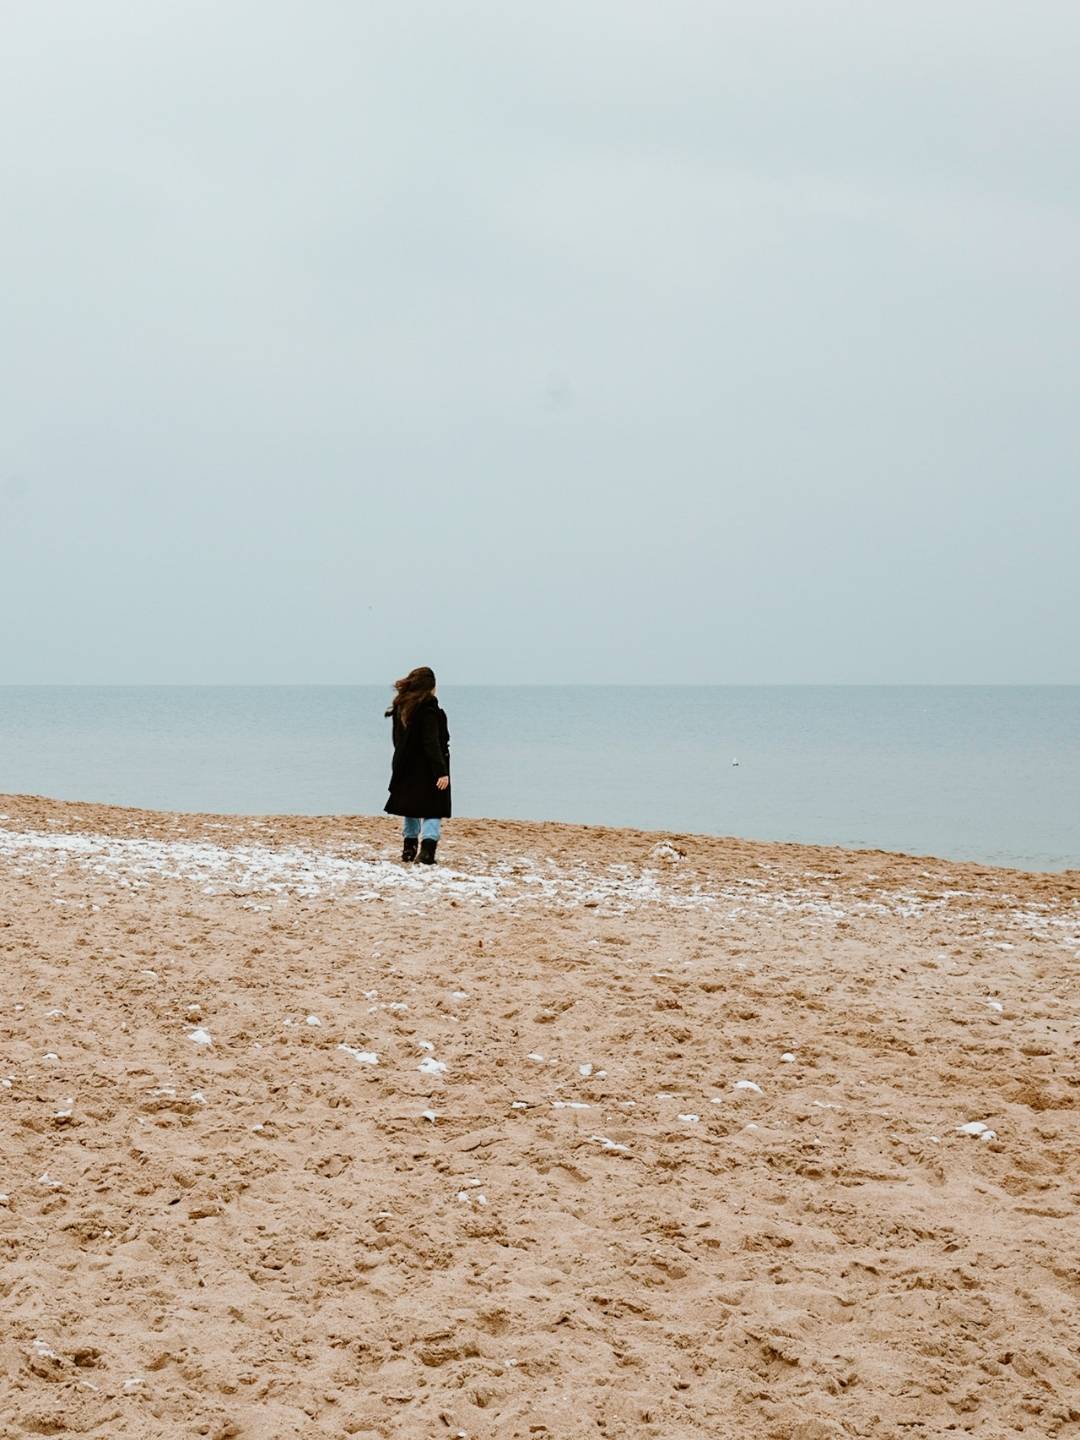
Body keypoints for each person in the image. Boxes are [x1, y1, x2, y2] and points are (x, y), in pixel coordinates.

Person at [383, 666, 451, 864]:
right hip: (427, 766)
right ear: (431, 687)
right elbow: (431, 742)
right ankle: (427, 850)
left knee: (411, 806)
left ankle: (409, 848)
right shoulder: (429, 710)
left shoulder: (401, 707)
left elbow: (397, 739)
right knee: (434, 807)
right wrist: (441, 772)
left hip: (405, 763)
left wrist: (399, 761)